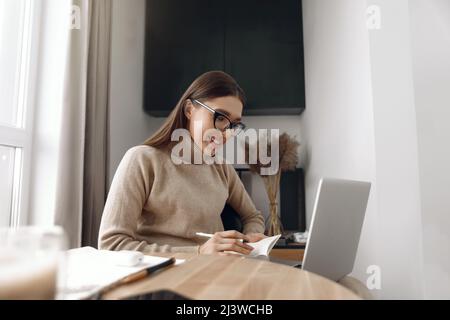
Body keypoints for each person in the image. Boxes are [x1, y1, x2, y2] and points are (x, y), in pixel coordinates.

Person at [98, 71, 266, 255]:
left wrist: (251, 237)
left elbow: (253, 216)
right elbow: (111, 244)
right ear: (189, 110)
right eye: (219, 118)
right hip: (162, 276)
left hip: (213, 273)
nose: (226, 133)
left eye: (233, 126)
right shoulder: (142, 160)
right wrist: (198, 252)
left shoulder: (222, 168)